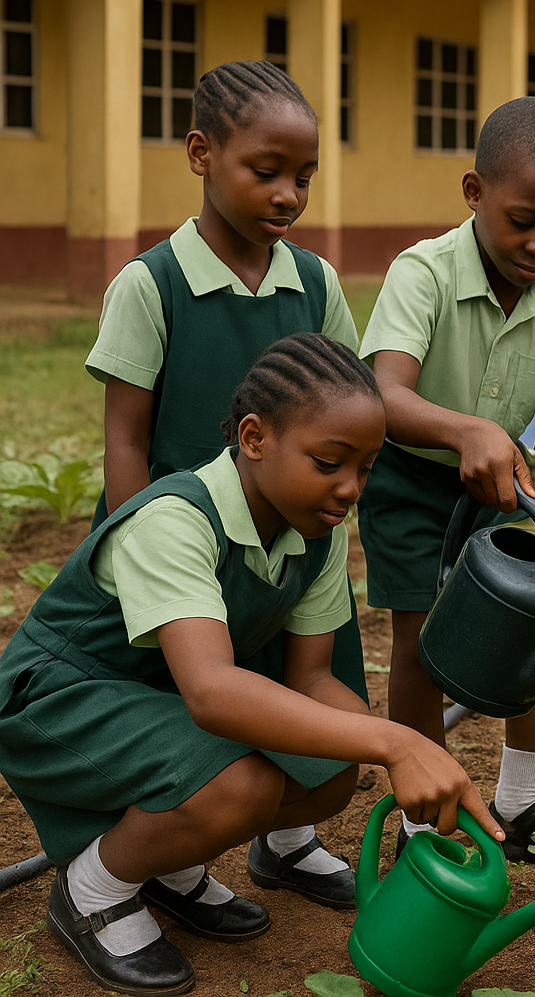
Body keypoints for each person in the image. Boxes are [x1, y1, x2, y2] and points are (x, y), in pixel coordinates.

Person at [0, 335, 504, 996]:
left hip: (151, 701)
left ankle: (168, 866)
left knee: (329, 772)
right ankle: (93, 889)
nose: (350, 488)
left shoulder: (314, 532)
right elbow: (211, 692)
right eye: (329, 462)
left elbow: (311, 679)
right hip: (57, 702)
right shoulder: (176, 519)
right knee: (239, 787)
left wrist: (394, 756)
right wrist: (398, 739)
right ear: (254, 437)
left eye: (367, 468)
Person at [82, 60, 365, 907]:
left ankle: (286, 840)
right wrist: (147, 552)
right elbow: (126, 438)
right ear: (202, 153)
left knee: (308, 691)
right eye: (265, 170)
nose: (287, 195)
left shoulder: (313, 283)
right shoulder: (152, 285)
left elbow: (350, 417)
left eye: (303, 177)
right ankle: (166, 857)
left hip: (292, 544)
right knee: (197, 707)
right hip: (188, 552)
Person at [357, 96, 535, 860]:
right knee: (421, 647)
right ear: (474, 192)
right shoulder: (421, 273)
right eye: (524, 219)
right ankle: (422, 824)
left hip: (502, 489)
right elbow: (384, 397)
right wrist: (467, 429)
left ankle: (520, 802)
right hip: (411, 477)